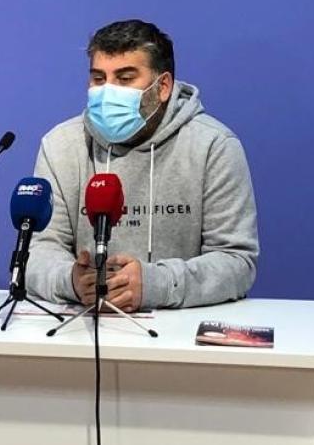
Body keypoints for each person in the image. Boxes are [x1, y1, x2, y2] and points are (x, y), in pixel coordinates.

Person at [28, 19, 259, 311]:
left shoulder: (214, 146)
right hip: (85, 326)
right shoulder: (61, 145)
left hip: (179, 334)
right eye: (99, 79)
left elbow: (236, 261)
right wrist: (70, 282)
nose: (108, 92)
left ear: (162, 86)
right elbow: (37, 252)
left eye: (125, 79)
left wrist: (156, 284)